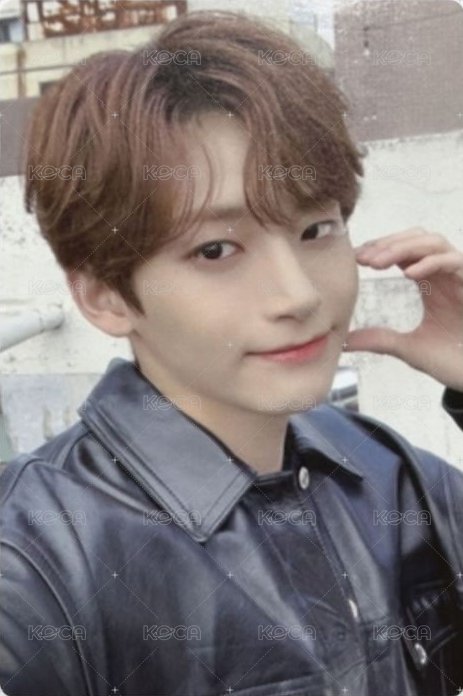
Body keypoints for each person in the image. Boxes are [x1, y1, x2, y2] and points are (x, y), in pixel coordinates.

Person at [1, 9, 463, 696]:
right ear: (105, 296)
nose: (297, 294)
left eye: (316, 229)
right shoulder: (35, 558)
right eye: (216, 249)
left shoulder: (385, 473)